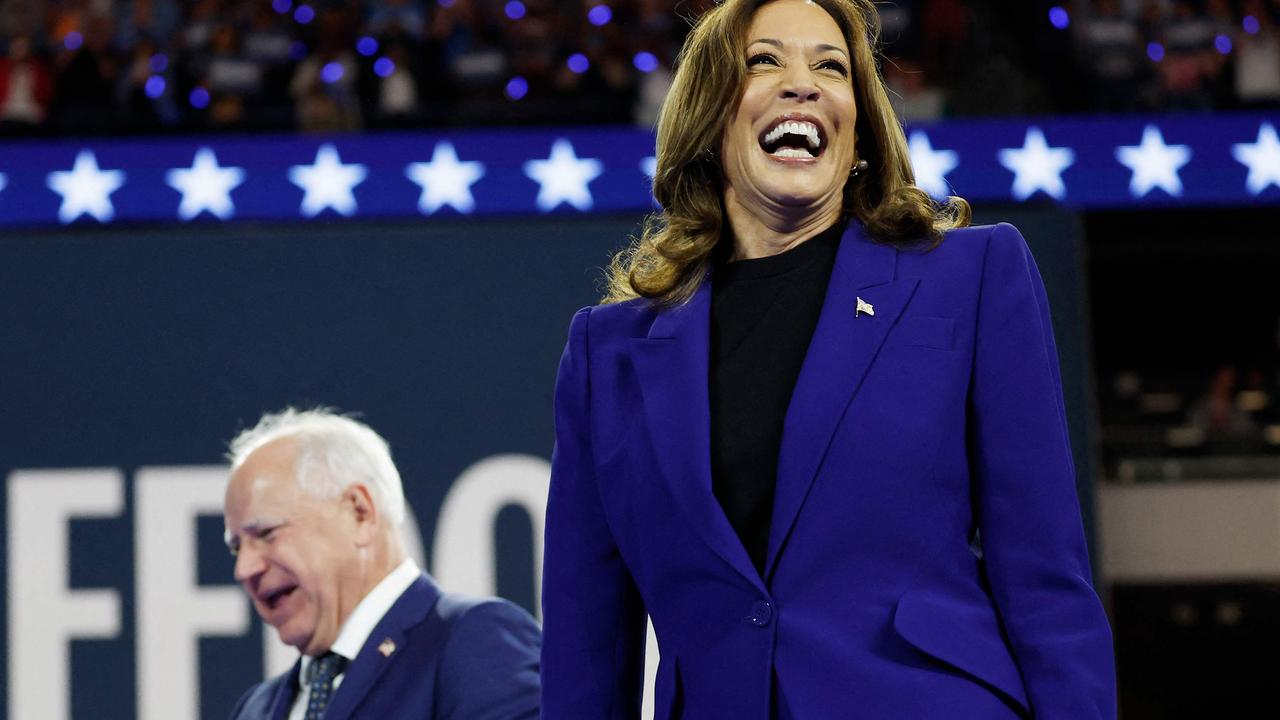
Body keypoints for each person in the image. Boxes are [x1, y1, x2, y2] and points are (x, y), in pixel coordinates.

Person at [540, 0, 1116, 718]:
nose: (802, 83)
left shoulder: (972, 276)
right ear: (709, 118)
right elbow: (583, 656)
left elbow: (1045, 580)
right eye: (764, 61)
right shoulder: (608, 354)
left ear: (860, 128)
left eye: (831, 67)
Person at [223, 408, 540, 719]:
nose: (245, 569)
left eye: (265, 533)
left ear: (359, 513)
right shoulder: (256, 709)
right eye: (237, 547)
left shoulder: (472, 641)